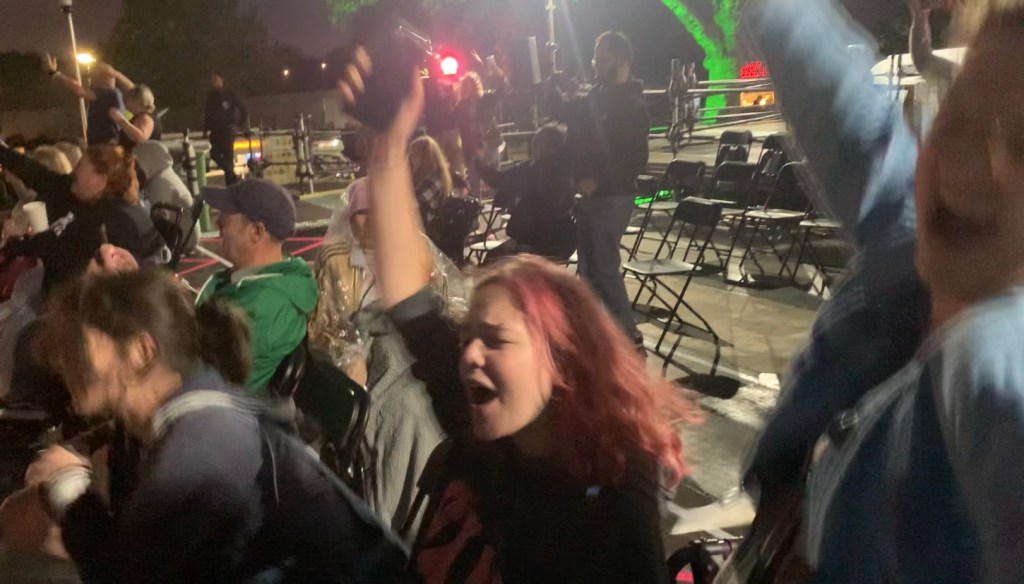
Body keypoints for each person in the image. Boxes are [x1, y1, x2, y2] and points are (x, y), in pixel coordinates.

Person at [341, 62, 693, 583]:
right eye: (467, 338)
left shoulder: (610, 500)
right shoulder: (494, 431)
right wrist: (388, 146)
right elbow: (410, 300)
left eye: (495, 340)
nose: (467, 356)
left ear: (561, 358)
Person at [735, 0, 1024, 581]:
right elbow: (848, 117)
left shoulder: (994, 364)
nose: (975, 163)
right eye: (963, 113)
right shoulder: (907, 255)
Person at [19, 269, 409, 582]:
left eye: (79, 341)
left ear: (141, 351)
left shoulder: (203, 444)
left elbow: (124, 573)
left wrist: (69, 490)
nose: (61, 357)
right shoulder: (172, 421)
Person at [308, 181, 461, 536]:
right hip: (366, 355)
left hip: (410, 350)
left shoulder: (418, 250)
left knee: (422, 406)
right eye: (361, 212)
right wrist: (353, 353)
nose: (370, 220)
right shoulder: (335, 260)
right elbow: (325, 327)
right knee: (406, 409)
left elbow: (449, 303)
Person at [545, 31, 650, 346]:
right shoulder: (596, 97)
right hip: (592, 198)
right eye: (594, 56)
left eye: (600, 58)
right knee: (588, 270)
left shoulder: (631, 104)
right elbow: (561, 111)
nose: (593, 63)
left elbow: (635, 158)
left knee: (604, 267)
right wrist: (550, 75)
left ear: (620, 63)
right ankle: (595, 334)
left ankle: (627, 335)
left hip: (612, 197)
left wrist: (598, 180)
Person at [197, 178, 316, 393]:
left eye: (226, 216)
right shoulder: (259, 280)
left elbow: (195, 368)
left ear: (256, 232)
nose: (218, 223)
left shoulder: (263, 308)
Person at [0, 142, 163, 293]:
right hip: (60, 293)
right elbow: (36, 173)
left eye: (79, 167)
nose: (74, 172)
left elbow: (70, 264)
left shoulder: (115, 219)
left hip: (81, 305)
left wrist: (28, 236)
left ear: (102, 180)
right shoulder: (79, 191)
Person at [477, 125, 576, 261]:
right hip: (564, 242)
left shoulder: (533, 169)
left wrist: (478, 164)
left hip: (538, 243)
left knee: (492, 261)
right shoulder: (567, 171)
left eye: (538, 141)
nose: (532, 143)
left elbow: (499, 180)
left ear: (550, 147)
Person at [43, 56, 124, 146]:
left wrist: (55, 73)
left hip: (104, 142)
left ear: (103, 76)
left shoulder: (108, 92)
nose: (92, 80)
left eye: (94, 75)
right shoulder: (115, 93)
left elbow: (79, 90)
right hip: (106, 140)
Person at [133, 141, 197, 253]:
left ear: (149, 161)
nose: (135, 170)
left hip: (180, 238)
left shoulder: (160, 183)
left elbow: (157, 219)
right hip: (185, 234)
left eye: (138, 165)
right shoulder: (163, 176)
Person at [204, 73, 248, 185]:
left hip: (227, 131)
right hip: (215, 131)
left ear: (222, 80)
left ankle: (231, 186)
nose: (214, 82)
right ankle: (231, 174)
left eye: (216, 79)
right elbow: (207, 114)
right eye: (212, 80)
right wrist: (205, 130)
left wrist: (239, 126)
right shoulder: (210, 96)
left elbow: (243, 109)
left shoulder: (229, 94)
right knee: (214, 153)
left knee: (228, 158)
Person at [409, 135, 453, 236]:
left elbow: (415, 202)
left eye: (415, 156)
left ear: (425, 158)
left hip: (429, 233)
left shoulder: (434, 180)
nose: (412, 161)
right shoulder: (423, 178)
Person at [111, 84, 162, 150]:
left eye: (126, 101)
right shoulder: (139, 116)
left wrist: (120, 119)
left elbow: (140, 137)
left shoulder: (145, 117)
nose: (124, 104)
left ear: (137, 102)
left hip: (139, 158)